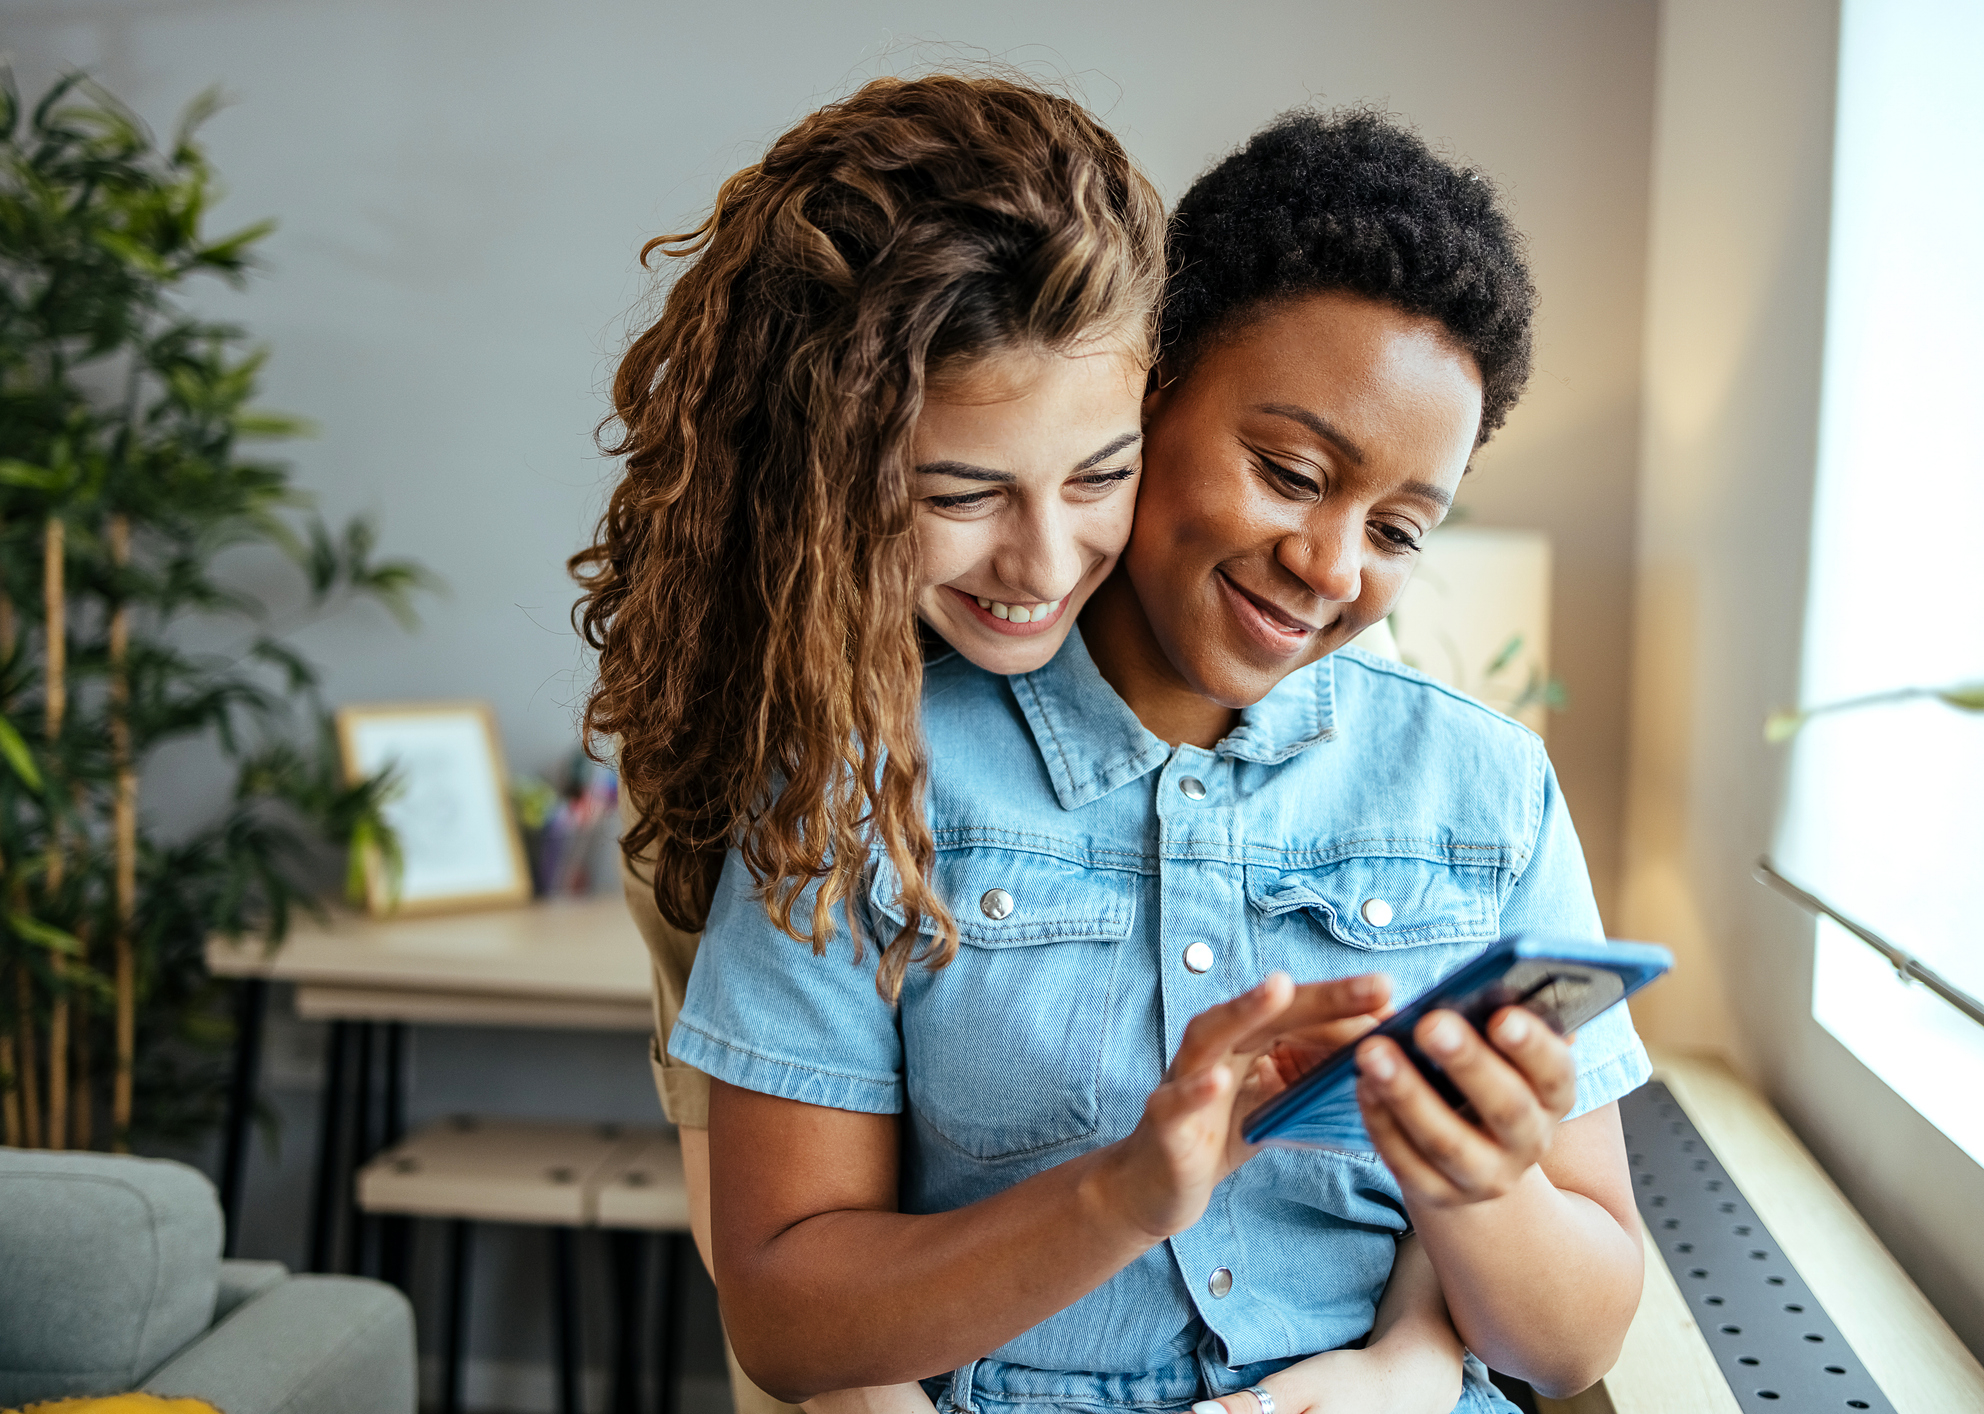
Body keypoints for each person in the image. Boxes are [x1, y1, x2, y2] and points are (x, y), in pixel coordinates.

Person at [670, 109, 1652, 1414]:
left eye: (1403, 528)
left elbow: (1574, 1343)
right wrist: (1119, 1195)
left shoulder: (1487, 792)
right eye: (1291, 471)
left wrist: (1477, 1194)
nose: (1335, 566)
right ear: (1147, 387)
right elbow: (789, 1319)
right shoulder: (868, 775)